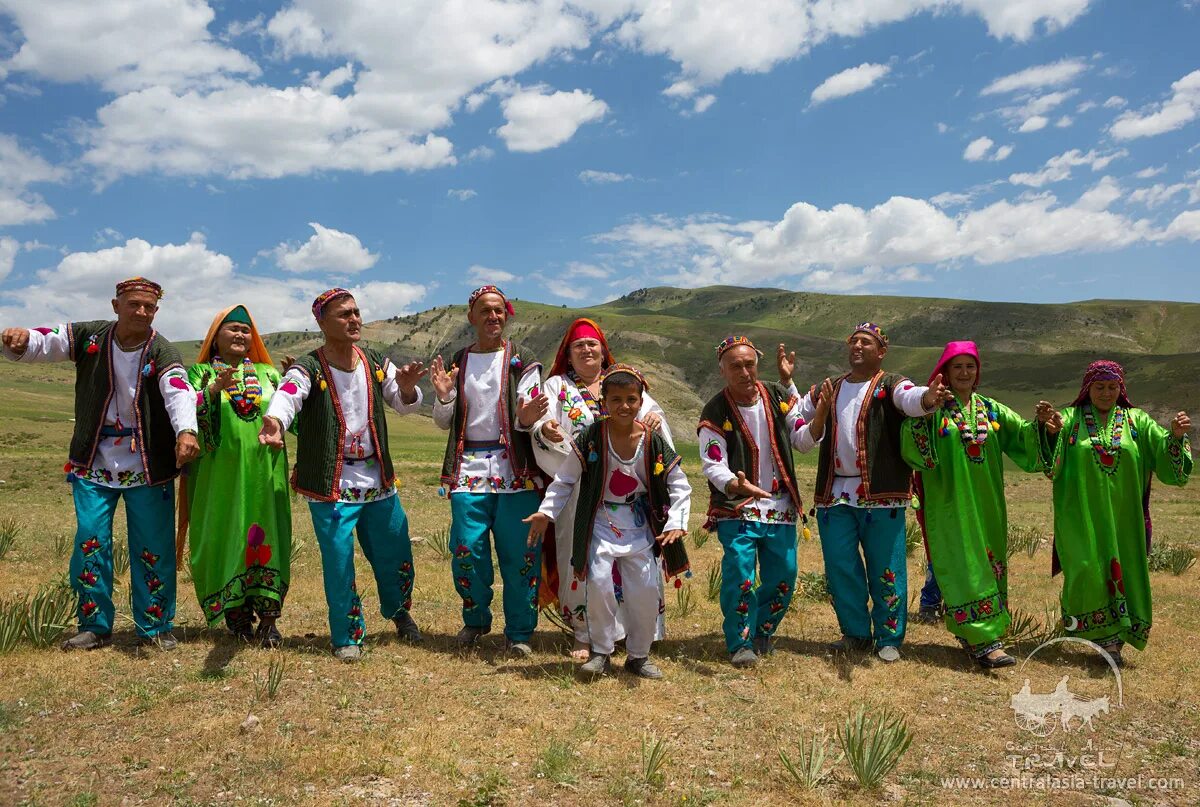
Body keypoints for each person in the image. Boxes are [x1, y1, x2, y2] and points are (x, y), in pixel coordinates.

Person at [1, 277, 199, 650]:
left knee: (153, 546)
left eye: (149, 307)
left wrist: (186, 430)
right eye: (134, 304)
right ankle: (94, 624)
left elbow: (178, 391)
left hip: (148, 464)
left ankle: (155, 627)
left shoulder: (163, 352)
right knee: (90, 541)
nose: (141, 311)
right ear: (115, 305)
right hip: (94, 461)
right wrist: (24, 339)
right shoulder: (90, 337)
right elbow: (51, 339)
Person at [259, 289, 427, 662]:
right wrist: (275, 420)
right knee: (338, 560)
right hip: (330, 484)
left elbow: (401, 404)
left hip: (377, 480)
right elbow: (290, 393)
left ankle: (400, 613)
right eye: (343, 315)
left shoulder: (374, 360)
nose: (354, 320)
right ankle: (347, 635)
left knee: (395, 551)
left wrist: (408, 387)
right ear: (322, 322)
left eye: (356, 312)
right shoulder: (309, 366)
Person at [782, 324, 951, 662]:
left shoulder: (891, 384)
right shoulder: (829, 387)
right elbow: (793, 415)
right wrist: (807, 415)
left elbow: (912, 398)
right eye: (853, 341)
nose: (858, 346)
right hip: (835, 495)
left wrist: (930, 397)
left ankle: (889, 638)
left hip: (882, 494)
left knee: (886, 567)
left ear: (881, 351)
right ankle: (856, 633)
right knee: (841, 566)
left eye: (866, 342)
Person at [526, 364, 690, 679]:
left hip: (639, 523)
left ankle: (638, 655)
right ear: (604, 401)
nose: (624, 406)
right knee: (599, 583)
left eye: (631, 399)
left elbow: (679, 484)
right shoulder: (591, 437)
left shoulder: (652, 441)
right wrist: (546, 513)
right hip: (599, 521)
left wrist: (675, 522)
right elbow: (565, 480)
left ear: (641, 402)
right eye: (616, 399)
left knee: (644, 588)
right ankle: (601, 651)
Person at [1035, 360, 1191, 666]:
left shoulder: (1138, 421)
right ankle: (1096, 633)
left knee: (1124, 571)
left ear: (1121, 389)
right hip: (1080, 516)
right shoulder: (1069, 418)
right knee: (1086, 568)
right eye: (1099, 387)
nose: (1106, 393)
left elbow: (1166, 461)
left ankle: (1113, 640)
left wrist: (1173, 436)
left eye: (1112, 387)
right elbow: (1049, 464)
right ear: (1087, 388)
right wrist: (1050, 432)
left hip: (1125, 518)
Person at [900, 341, 1042, 668]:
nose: (964, 373)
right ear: (945, 372)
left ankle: (979, 634)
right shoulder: (934, 409)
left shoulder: (990, 409)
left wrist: (1043, 429)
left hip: (988, 503)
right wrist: (928, 409)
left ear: (978, 371)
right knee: (964, 564)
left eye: (970, 366)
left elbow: (1022, 437)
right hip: (949, 503)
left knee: (988, 563)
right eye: (957, 367)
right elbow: (912, 442)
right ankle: (984, 640)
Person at [429, 285, 548, 656]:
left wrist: (526, 419)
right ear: (471, 318)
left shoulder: (522, 359)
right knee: (467, 547)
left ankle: (520, 633)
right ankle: (476, 618)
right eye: (485, 311)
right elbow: (442, 421)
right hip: (468, 469)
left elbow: (531, 413)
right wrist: (445, 396)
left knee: (521, 554)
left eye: (499, 311)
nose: (493, 317)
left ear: (506, 315)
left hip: (517, 471)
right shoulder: (458, 360)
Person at [698, 336, 828, 668]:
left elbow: (800, 440)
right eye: (735, 366)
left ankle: (762, 632)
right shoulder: (715, 409)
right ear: (723, 370)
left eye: (750, 364)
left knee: (784, 574)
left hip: (779, 505)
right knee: (740, 574)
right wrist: (735, 484)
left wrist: (819, 419)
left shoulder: (776, 395)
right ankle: (740, 642)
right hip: (738, 508)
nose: (744, 372)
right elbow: (713, 462)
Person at [178, 305, 291, 647]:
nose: (241, 334)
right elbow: (182, 412)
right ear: (215, 337)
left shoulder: (268, 374)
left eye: (246, 329)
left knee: (269, 535)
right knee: (223, 535)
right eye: (233, 329)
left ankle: (269, 622)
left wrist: (297, 389)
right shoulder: (197, 373)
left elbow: (291, 417)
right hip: (218, 477)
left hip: (266, 472)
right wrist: (212, 392)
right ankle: (237, 618)